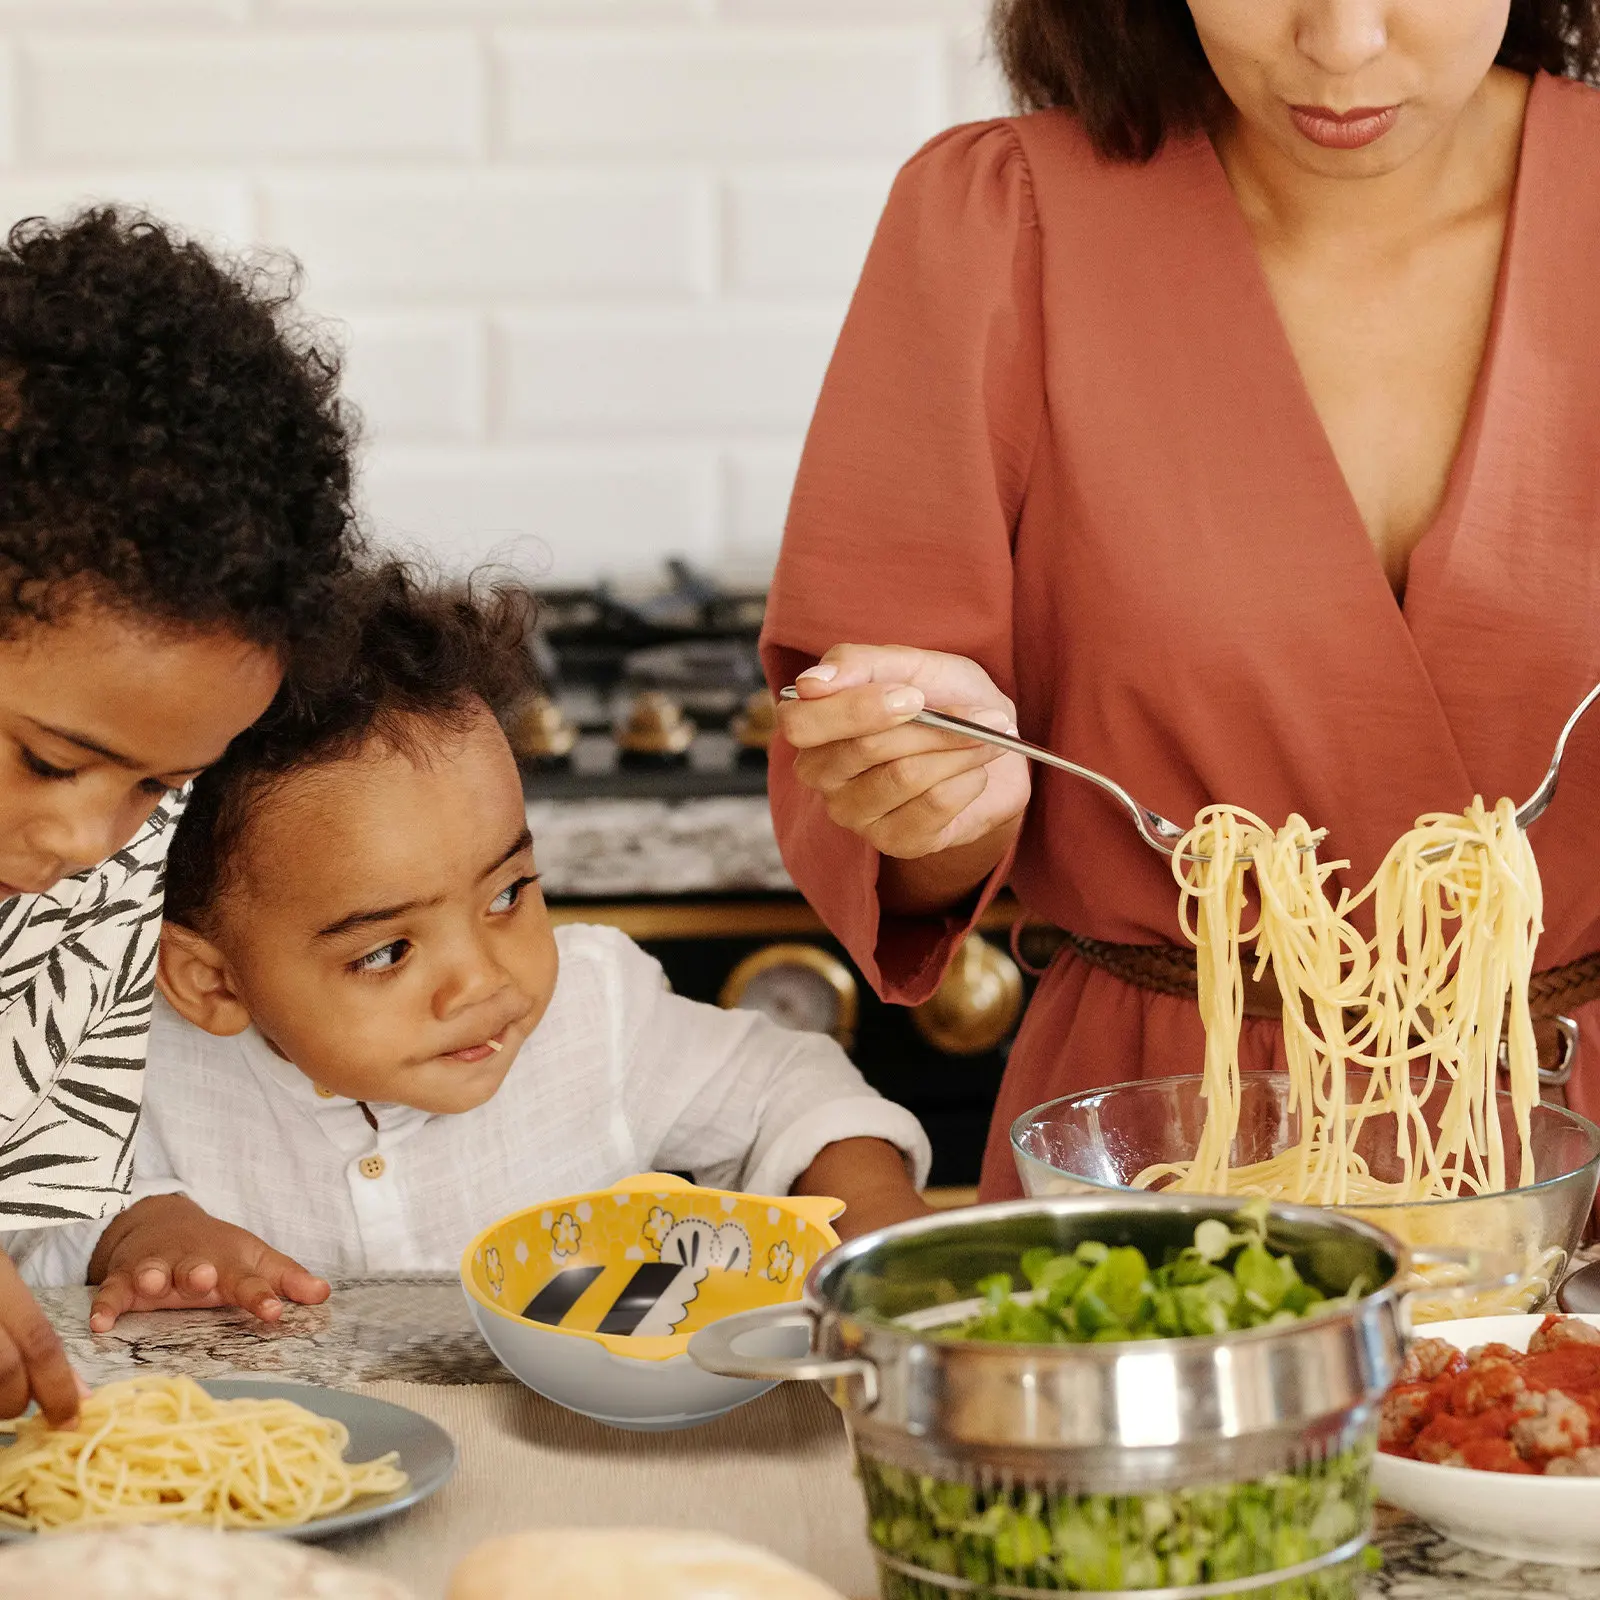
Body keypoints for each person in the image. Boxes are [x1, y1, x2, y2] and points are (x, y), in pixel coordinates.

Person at [761, 1, 1600, 1202]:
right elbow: (890, 837)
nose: (1342, 42)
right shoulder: (1001, 221)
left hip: (1575, 1146)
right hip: (1159, 1142)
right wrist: (935, 793)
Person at [10, 564, 932, 1322]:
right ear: (210, 983)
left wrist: (883, 1244)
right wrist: (138, 1233)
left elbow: (791, 1093)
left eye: (508, 894)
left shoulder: (594, 1015)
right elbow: (44, 1220)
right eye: (386, 953)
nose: (482, 982)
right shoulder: (112, 1057)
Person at [0, 209, 356, 1419]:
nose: (87, 844)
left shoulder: (103, 874)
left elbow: (40, 1203)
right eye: (48, 760)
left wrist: (132, 1228)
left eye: (158, 783)